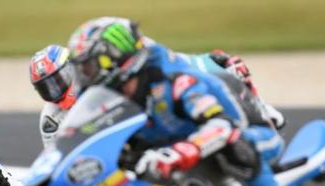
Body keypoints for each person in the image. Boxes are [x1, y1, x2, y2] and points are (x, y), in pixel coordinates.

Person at [66, 17, 316, 186]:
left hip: (251, 136)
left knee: (234, 147)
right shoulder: (119, 100)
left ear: (116, 59)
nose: (85, 77)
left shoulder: (175, 78)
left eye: (88, 67)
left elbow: (221, 125)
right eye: (81, 70)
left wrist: (185, 150)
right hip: (194, 157)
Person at [29, 42, 285, 150]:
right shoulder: (50, 119)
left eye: (59, 80)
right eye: (47, 87)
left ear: (73, 68)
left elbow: (167, 66)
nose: (56, 90)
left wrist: (211, 61)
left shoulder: (99, 79)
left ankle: (259, 112)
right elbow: (55, 154)